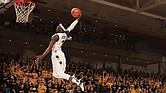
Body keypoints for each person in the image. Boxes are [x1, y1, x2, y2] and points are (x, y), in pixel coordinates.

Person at [35, 14, 84, 91]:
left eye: (59, 26)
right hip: (58, 54)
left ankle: (77, 81)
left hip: (57, 55)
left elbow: (49, 47)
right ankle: (74, 79)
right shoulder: (64, 34)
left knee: (60, 73)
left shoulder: (56, 36)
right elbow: (71, 26)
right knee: (56, 75)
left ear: (61, 29)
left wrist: (41, 57)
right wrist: (77, 19)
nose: (57, 27)